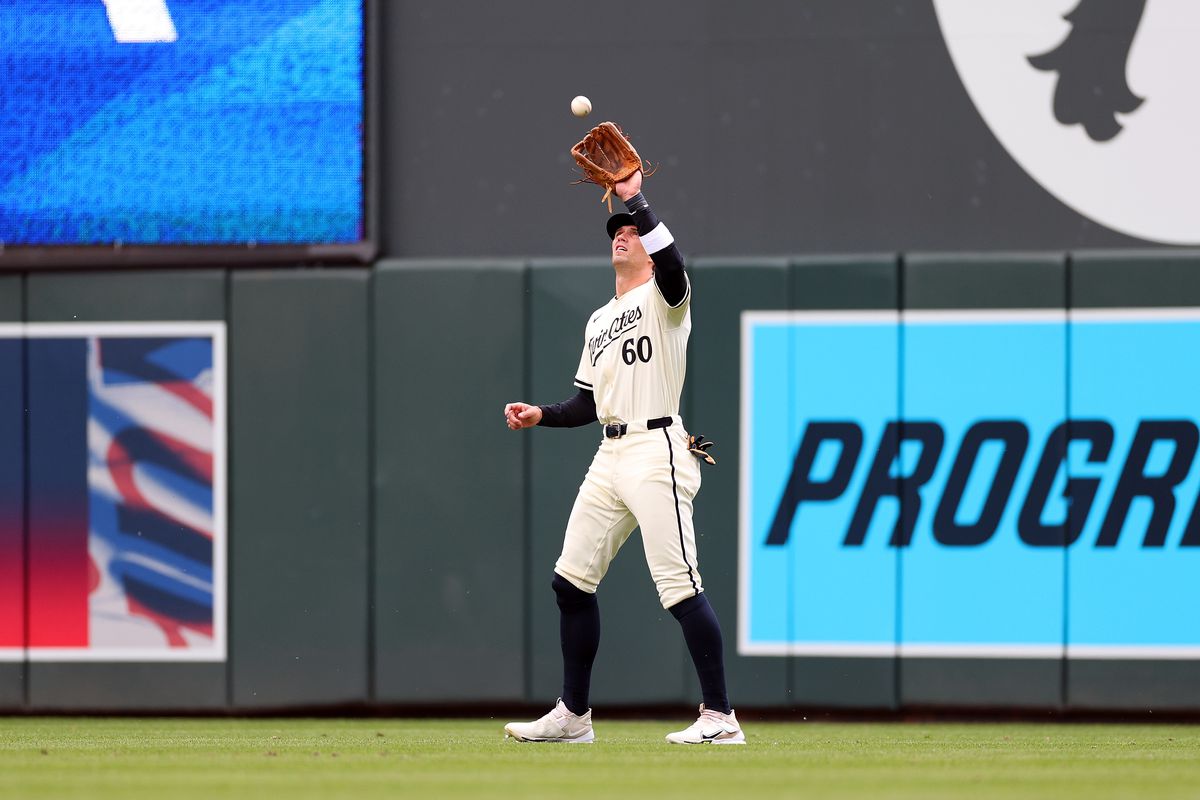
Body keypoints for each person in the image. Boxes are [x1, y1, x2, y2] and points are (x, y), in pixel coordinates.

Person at [502, 169, 744, 745]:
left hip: (657, 445)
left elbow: (676, 263)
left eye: (631, 231)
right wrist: (544, 413)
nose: (622, 234)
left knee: (679, 587)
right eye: (616, 229)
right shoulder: (598, 320)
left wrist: (637, 199)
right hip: (609, 454)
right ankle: (574, 717)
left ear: (649, 248)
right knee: (571, 582)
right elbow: (586, 403)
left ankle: (721, 717)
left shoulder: (667, 299)